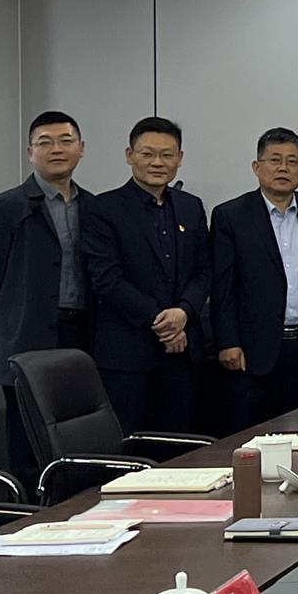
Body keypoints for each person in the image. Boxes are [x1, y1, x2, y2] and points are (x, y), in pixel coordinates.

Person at [0, 111, 94, 486]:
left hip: (81, 336)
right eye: (45, 142)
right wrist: (11, 325)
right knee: (27, 446)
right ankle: (28, 516)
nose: (56, 149)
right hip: (27, 341)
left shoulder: (93, 206)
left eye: (66, 141)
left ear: (81, 148)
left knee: (79, 440)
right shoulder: (6, 207)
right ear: (30, 152)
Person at [81, 117, 211, 434]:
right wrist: (162, 321)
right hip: (127, 353)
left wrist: (183, 312)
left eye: (167, 155)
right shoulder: (102, 208)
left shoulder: (191, 206)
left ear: (179, 158)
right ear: (130, 155)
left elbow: (205, 270)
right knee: (130, 445)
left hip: (184, 354)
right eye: (147, 153)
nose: (157, 162)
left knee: (181, 444)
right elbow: (107, 279)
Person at [211, 128, 298, 432]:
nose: (283, 168)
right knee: (255, 436)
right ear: (257, 167)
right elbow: (223, 287)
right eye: (275, 160)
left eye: (292, 162)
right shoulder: (231, 215)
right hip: (253, 350)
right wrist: (228, 342)